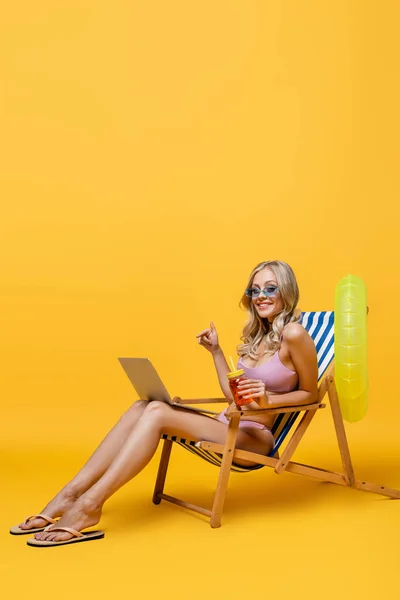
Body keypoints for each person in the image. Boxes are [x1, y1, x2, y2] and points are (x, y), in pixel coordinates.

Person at [10, 259, 318, 546]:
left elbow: (310, 395)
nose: (260, 296)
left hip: (253, 441)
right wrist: (216, 352)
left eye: (270, 288)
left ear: (286, 291)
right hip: (227, 424)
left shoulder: (294, 334)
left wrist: (266, 400)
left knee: (157, 411)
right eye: (254, 290)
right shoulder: (258, 335)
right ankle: (70, 494)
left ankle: (90, 506)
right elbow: (232, 395)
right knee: (140, 407)